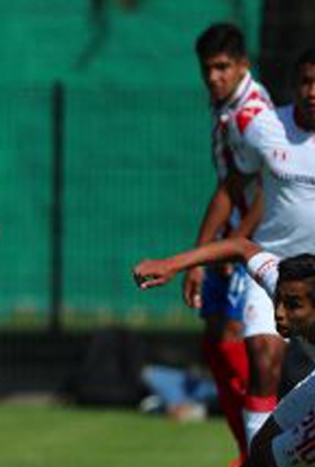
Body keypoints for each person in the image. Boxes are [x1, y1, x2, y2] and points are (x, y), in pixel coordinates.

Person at [133, 237, 315, 467]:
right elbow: (241, 247)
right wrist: (172, 265)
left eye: (293, 305)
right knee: (259, 452)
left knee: (272, 458)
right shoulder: (291, 285)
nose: (278, 312)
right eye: (278, 299)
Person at [186, 23, 269, 459]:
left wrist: (233, 245)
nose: (214, 77)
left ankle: (263, 449)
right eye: (208, 69)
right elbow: (229, 185)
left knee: (240, 339)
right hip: (233, 234)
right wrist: (200, 257)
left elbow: (268, 190)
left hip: (257, 240)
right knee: (216, 337)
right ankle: (247, 448)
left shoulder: (253, 116)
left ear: (243, 66)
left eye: (222, 68)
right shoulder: (226, 107)